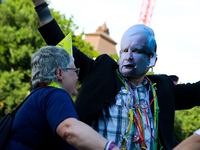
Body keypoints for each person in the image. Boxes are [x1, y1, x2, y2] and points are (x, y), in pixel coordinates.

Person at [31, 0, 200, 149]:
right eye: (125, 50)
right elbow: (60, 45)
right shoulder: (99, 71)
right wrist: (40, 5)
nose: (128, 56)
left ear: (152, 59)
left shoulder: (163, 89)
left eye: (137, 50)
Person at [5, 46, 120, 150]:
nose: (77, 76)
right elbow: (68, 130)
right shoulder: (55, 95)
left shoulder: (38, 96)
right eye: (75, 70)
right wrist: (110, 148)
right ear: (59, 73)